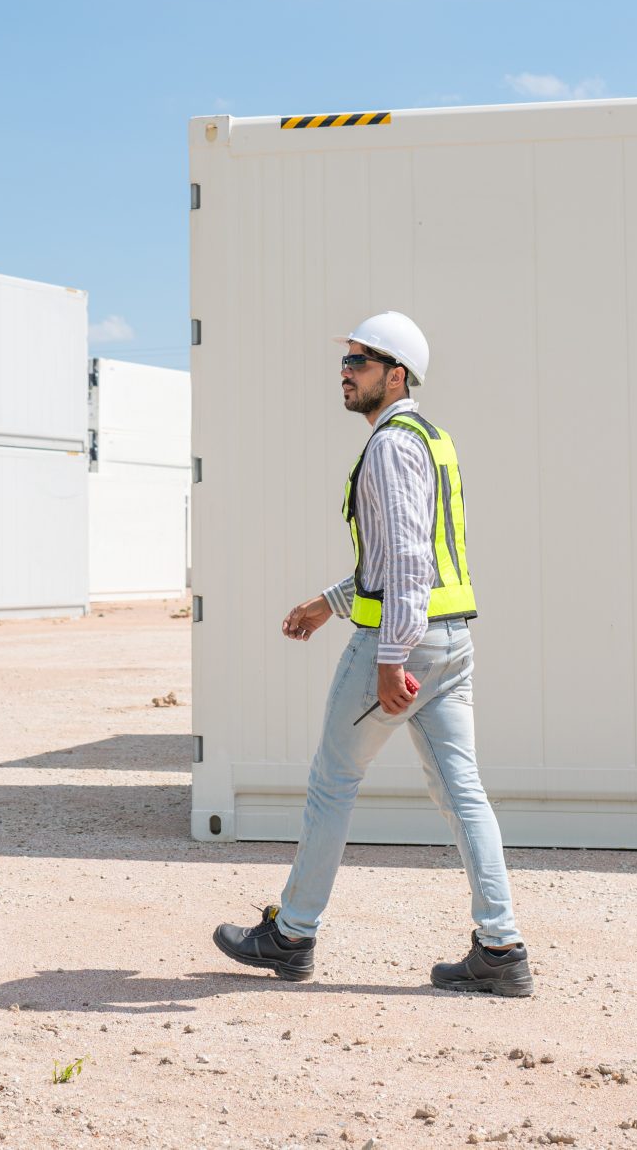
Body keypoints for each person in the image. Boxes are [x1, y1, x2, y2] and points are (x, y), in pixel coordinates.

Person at [211, 311, 531, 997]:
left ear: (397, 374)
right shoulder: (430, 439)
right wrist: (330, 600)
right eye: (347, 360)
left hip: (404, 644)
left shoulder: (389, 446)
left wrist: (391, 658)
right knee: (463, 793)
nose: (346, 371)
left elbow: (409, 562)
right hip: (451, 641)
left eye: (361, 360)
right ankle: (501, 948)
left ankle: (292, 934)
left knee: (333, 783)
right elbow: (400, 556)